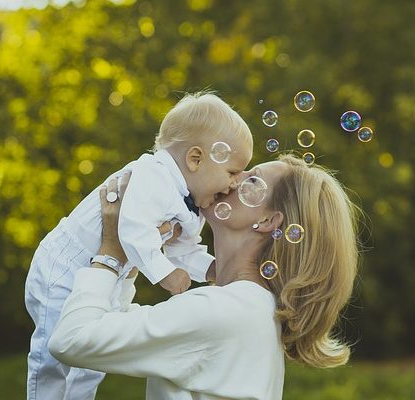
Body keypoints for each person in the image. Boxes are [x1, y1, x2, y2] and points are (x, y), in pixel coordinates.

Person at [48, 154, 360, 399]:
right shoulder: (248, 308)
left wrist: (112, 251)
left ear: (268, 220)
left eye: (253, 179)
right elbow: (107, 319)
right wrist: (134, 249)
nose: (234, 178)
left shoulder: (223, 312)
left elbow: (72, 339)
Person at [25, 92, 253, 400]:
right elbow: (132, 229)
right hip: (65, 265)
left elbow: (184, 250)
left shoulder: (192, 207)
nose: (237, 183)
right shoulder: (153, 175)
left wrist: (214, 269)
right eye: (232, 172)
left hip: (109, 275)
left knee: (92, 357)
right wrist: (165, 273)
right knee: (53, 352)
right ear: (195, 159)